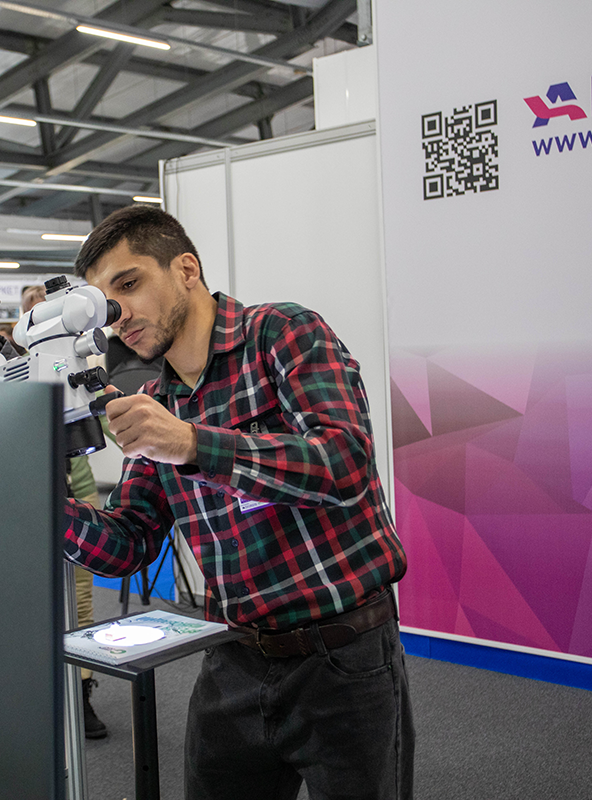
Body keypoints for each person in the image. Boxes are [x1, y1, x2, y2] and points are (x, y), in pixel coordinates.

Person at [63, 205, 412, 799]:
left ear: (186, 270)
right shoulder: (157, 400)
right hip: (233, 657)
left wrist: (193, 443)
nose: (118, 316)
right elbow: (129, 540)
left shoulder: (282, 333)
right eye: (103, 302)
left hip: (344, 656)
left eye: (129, 284)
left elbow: (343, 463)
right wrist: (43, 507)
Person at [21, 283, 108, 740]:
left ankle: (82, 691)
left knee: (80, 597)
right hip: (27, 495)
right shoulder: (16, 370)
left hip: (76, 486)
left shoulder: (71, 359)